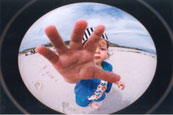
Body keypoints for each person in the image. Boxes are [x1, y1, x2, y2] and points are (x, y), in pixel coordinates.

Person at [74, 27, 125, 109]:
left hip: (99, 93)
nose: (97, 51)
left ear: (107, 52)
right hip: (83, 95)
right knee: (81, 104)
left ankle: (93, 103)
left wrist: (118, 81)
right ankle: (88, 103)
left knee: (99, 98)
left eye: (102, 48)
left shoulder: (108, 67)